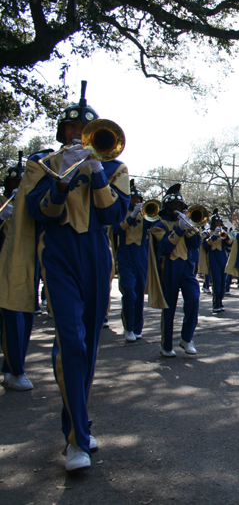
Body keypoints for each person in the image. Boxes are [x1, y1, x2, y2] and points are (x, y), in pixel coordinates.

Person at [24, 82, 130, 471]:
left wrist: (97, 172)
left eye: (82, 130)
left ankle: (79, 425)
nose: (77, 135)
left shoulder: (115, 167)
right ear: (61, 132)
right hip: (59, 254)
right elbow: (40, 213)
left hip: (96, 256)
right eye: (70, 129)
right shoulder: (43, 164)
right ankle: (75, 440)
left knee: (89, 348)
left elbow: (113, 217)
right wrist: (62, 181)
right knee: (71, 341)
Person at [149, 184, 201, 357]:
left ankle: (187, 339)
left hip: (187, 267)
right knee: (169, 308)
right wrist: (179, 229)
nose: (177, 209)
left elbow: (196, 244)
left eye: (180, 206)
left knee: (193, 300)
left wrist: (189, 229)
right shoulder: (159, 225)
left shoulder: (186, 223)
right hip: (168, 268)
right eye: (174, 206)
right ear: (167, 207)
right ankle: (166, 345)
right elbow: (164, 246)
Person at [0, 151, 36, 391]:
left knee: (22, 315)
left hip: (25, 263)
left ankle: (14, 368)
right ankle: (13, 368)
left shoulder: (31, 201)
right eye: (14, 183)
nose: (18, 186)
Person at [111, 180, 150, 342]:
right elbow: (117, 229)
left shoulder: (146, 215)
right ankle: (128, 327)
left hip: (141, 256)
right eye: (134, 199)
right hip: (125, 255)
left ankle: (137, 327)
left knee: (139, 293)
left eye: (139, 199)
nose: (137, 202)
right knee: (128, 291)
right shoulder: (120, 213)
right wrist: (132, 216)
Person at [203, 209, 232, 312]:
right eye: (216, 222)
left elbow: (229, 245)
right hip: (213, 256)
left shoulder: (222, 232)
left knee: (223, 281)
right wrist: (214, 236)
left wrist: (226, 235)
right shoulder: (207, 232)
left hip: (222, 256)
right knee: (216, 281)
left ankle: (221, 301)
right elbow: (205, 245)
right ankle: (216, 303)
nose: (217, 224)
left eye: (219, 222)